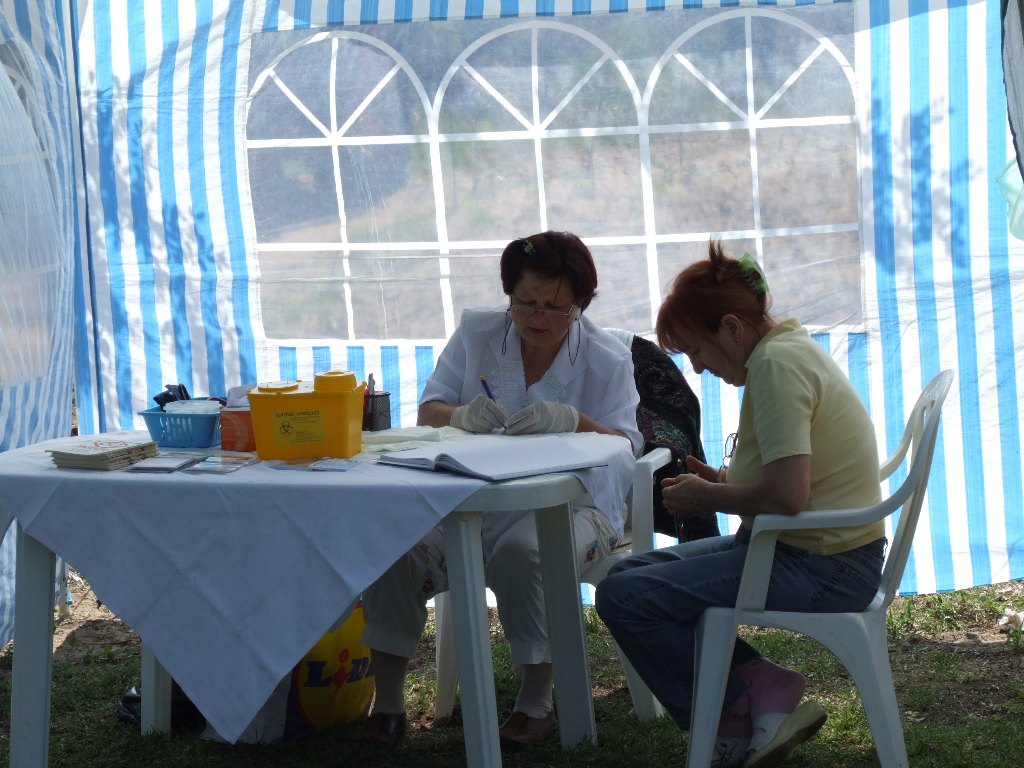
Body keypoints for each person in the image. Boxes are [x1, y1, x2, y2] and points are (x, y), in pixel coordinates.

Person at [595, 241, 886, 768]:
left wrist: (711, 496)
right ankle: (762, 685)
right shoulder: (786, 350)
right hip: (813, 552)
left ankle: (728, 714)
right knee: (625, 576)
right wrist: (724, 479)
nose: (698, 368)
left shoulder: (777, 367)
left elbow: (789, 495)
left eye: (696, 350)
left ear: (731, 327)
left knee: (626, 598)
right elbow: (795, 476)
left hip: (822, 566)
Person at [360, 230, 643, 749]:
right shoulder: (478, 333)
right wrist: (460, 415)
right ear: (509, 295)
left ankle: (536, 701)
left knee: (524, 550)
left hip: (575, 507)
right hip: (469, 501)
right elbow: (430, 410)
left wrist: (574, 419)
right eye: (526, 303)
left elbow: (628, 446)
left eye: (556, 307)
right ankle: (389, 703)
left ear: (580, 304)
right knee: (398, 548)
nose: (539, 318)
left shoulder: (607, 358)